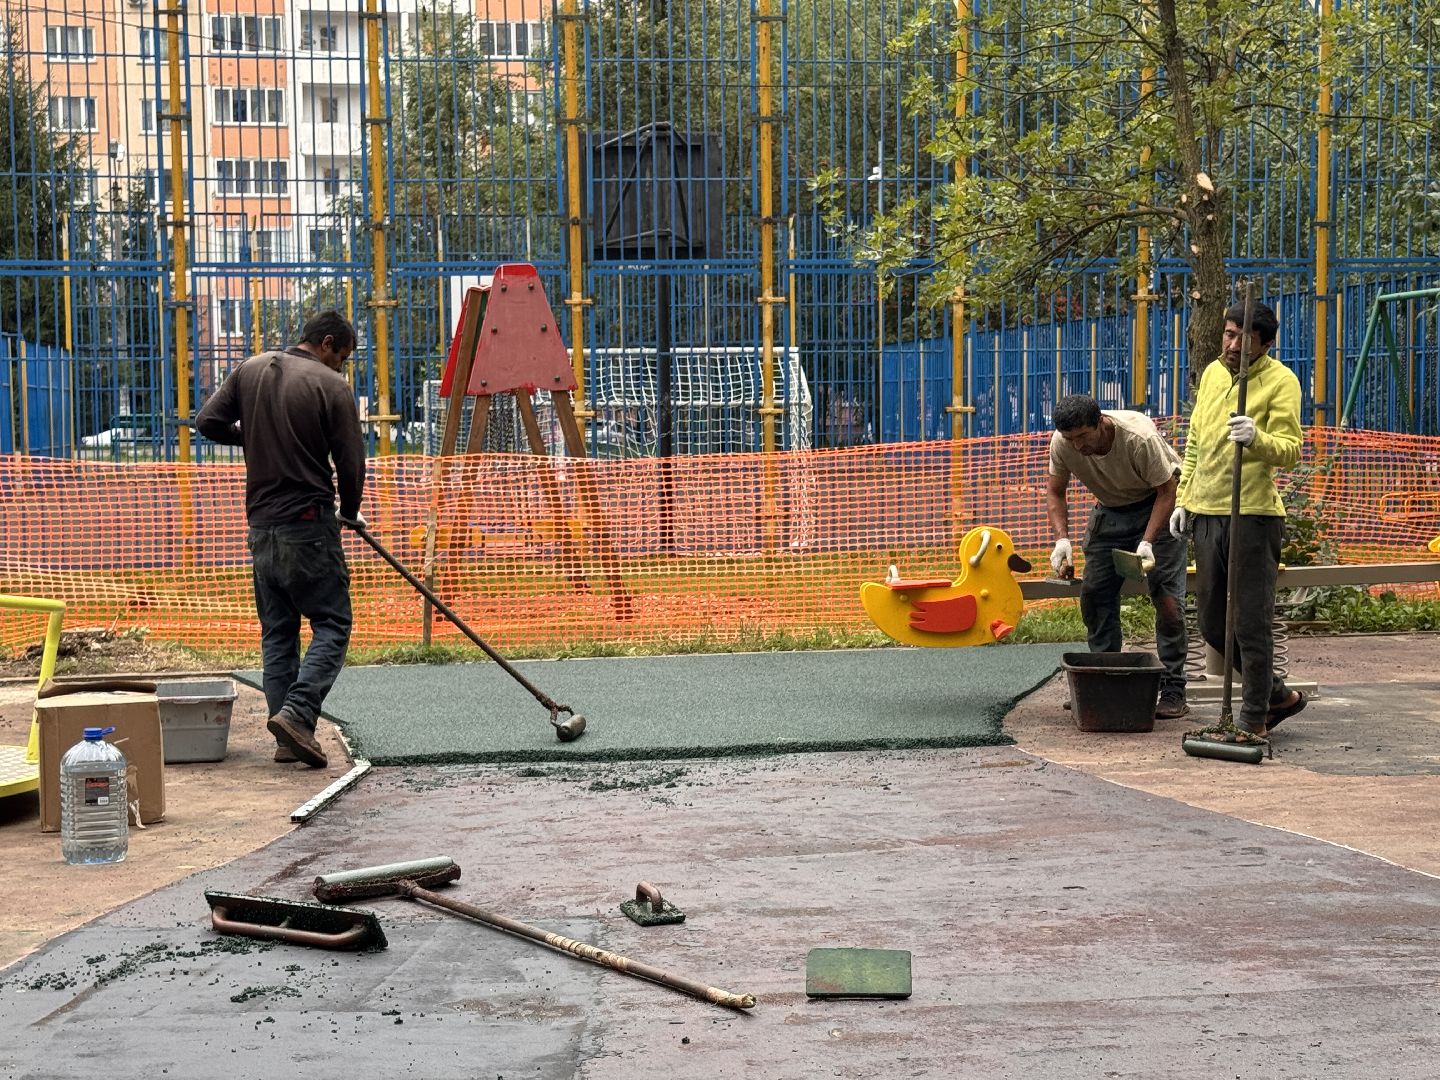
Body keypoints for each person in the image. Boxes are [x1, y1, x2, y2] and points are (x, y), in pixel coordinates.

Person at [196, 311, 366, 768]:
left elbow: (207, 422)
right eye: (342, 357)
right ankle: (298, 713)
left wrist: (252, 437)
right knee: (332, 623)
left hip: (261, 528)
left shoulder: (249, 370)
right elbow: (351, 462)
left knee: (278, 632)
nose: (341, 366)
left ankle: (288, 739)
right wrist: (350, 513)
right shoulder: (331, 386)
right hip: (308, 527)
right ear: (327, 343)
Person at [1170, 300, 1307, 737]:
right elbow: (1196, 439)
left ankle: (1252, 719)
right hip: (1208, 510)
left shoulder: (1281, 381)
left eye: (1244, 339)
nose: (1232, 345)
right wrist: (1184, 498)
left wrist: (1257, 438)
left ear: (1265, 344)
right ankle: (1276, 695)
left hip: (1252, 515)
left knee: (1250, 622)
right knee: (1212, 623)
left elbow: (1290, 450)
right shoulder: (1213, 373)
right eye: (1229, 335)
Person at [1047, 394, 1190, 718]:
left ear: (1101, 423)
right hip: (1111, 512)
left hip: (1158, 505)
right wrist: (1062, 540)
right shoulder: (1062, 443)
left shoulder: (1139, 437)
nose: (1077, 445)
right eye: (1070, 438)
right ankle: (1105, 679)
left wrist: (1148, 541)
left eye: (1083, 436)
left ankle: (1173, 689)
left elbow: (1168, 490)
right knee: (1095, 595)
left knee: (1168, 601)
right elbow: (1055, 491)